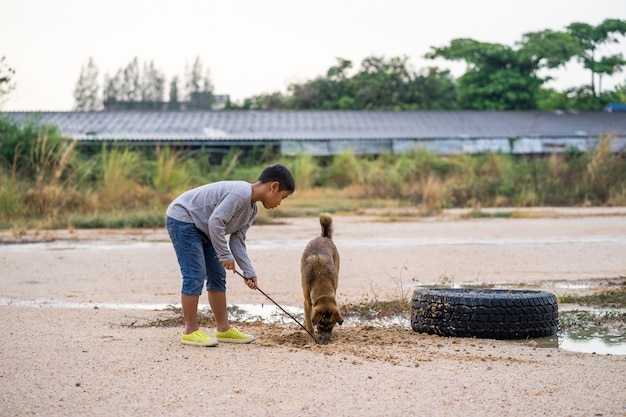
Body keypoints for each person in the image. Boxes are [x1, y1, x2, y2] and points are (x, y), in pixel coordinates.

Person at [165, 163, 295, 346]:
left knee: (218, 276)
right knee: (195, 275)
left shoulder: (252, 210)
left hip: (205, 228)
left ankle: (224, 329)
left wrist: (249, 271)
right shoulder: (240, 193)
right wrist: (225, 256)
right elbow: (216, 222)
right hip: (183, 219)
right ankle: (190, 330)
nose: (280, 203)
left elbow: (237, 242)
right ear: (273, 186)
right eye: (282, 197)